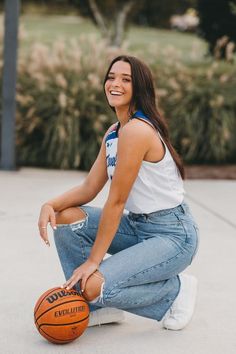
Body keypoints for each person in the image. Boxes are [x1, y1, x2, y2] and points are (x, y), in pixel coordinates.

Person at [38, 55, 199, 331]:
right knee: (66, 217)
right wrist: (50, 204)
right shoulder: (114, 132)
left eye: (126, 79)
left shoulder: (138, 131)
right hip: (137, 226)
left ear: (140, 88)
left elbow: (117, 200)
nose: (115, 83)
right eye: (112, 77)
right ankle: (98, 307)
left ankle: (175, 290)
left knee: (93, 283)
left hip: (172, 234)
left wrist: (93, 261)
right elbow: (90, 187)